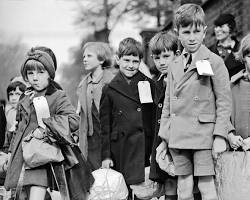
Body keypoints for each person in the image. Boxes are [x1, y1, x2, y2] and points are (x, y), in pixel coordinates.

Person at [157, 4, 232, 200]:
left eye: (197, 32)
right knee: (183, 188)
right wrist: (164, 138)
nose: (192, 37)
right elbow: (168, 105)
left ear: (204, 31)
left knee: (207, 186)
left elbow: (224, 102)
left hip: (204, 136)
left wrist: (220, 136)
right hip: (179, 135)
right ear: (177, 33)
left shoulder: (214, 61)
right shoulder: (174, 64)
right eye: (186, 32)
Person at [3, 48, 81, 200]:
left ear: (50, 74)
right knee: (21, 197)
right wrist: (10, 153)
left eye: (40, 72)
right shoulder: (24, 97)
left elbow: (74, 120)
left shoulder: (57, 96)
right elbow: (19, 127)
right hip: (20, 157)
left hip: (41, 157)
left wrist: (46, 129)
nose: (35, 78)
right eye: (30, 73)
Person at [100, 37, 155, 199]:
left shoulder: (148, 84)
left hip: (143, 147)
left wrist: (153, 149)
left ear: (140, 62)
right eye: (126, 60)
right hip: (120, 149)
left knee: (142, 193)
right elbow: (105, 126)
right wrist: (106, 156)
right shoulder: (109, 89)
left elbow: (153, 120)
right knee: (122, 193)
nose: (130, 65)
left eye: (135, 61)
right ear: (118, 59)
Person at [148, 31, 179, 200]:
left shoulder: (184, 81)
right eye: (157, 57)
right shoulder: (155, 84)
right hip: (160, 141)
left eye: (166, 56)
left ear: (177, 54)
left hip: (180, 139)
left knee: (190, 181)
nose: (161, 62)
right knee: (168, 181)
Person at [76, 42, 115, 170]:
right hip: (90, 139)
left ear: (101, 59)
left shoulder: (112, 80)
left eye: (89, 56)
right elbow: (80, 114)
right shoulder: (83, 84)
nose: (85, 59)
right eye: (83, 57)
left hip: (108, 137)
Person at [229, 33, 250, 151]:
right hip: (237, 154)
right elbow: (222, 115)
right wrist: (230, 135)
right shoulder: (232, 85)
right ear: (243, 57)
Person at [210, 13, 244, 78]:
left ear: (230, 27)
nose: (217, 30)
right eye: (216, 27)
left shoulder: (241, 48)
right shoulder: (209, 51)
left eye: (221, 26)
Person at [3, 81, 26, 153]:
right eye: (11, 94)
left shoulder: (26, 113)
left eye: (17, 94)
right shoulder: (8, 112)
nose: (13, 98)